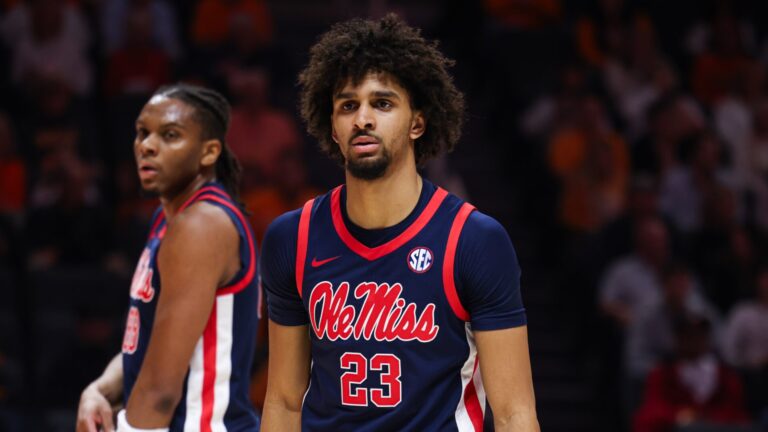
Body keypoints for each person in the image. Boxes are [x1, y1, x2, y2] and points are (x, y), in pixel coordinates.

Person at [260, 14, 539, 431]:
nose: (363, 119)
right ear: (333, 129)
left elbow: (515, 411)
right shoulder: (292, 238)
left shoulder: (473, 240)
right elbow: (283, 400)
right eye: (348, 105)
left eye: (382, 103)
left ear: (417, 122)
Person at [75, 84, 261, 431]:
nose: (146, 145)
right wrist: (99, 390)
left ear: (209, 153)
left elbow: (160, 391)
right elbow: (146, 343)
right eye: (142, 133)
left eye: (170, 135)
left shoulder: (201, 225)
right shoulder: (170, 218)